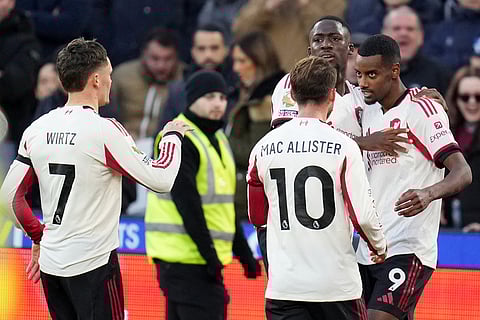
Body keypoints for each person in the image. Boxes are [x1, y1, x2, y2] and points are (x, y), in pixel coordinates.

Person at [0, 38, 190, 320]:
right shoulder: (104, 131)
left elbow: (9, 198)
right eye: (110, 75)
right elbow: (161, 179)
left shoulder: (37, 129)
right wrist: (173, 136)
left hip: (52, 266)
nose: (112, 82)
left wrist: (39, 236)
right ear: (97, 79)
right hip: (94, 264)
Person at [247, 56, 387, 320]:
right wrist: (378, 247)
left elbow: (257, 218)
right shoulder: (345, 147)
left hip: (285, 287)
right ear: (332, 96)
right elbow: (363, 216)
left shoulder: (262, 148)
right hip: (336, 287)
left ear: (292, 94)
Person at [355, 34, 472, 320]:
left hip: (408, 246)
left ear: (395, 71)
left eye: (372, 74)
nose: (363, 82)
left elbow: (462, 171)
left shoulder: (422, 109)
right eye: (359, 74)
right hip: (368, 248)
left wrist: (428, 193)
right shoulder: (364, 110)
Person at [145, 70, 260, 320]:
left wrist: (244, 254)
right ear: (192, 99)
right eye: (209, 96)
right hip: (183, 258)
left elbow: (223, 205)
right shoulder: (178, 136)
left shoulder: (218, 137)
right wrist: (210, 257)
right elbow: (188, 204)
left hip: (197, 258)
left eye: (222, 96)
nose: (218, 103)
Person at [227, 31, 285, 221]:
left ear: (260, 61)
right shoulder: (242, 93)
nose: (236, 68)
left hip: (255, 201)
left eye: (242, 61)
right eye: (234, 61)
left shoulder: (268, 99)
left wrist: (219, 144)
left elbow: (256, 153)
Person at [382, 6, 451, 95]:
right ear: (383, 35)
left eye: (410, 29)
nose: (403, 33)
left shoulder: (440, 75)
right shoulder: (372, 72)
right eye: (396, 28)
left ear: (421, 36)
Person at [444, 66, 480, 232]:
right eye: (465, 97)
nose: (472, 102)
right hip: (448, 229)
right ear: (456, 100)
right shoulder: (444, 134)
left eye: (478, 97)